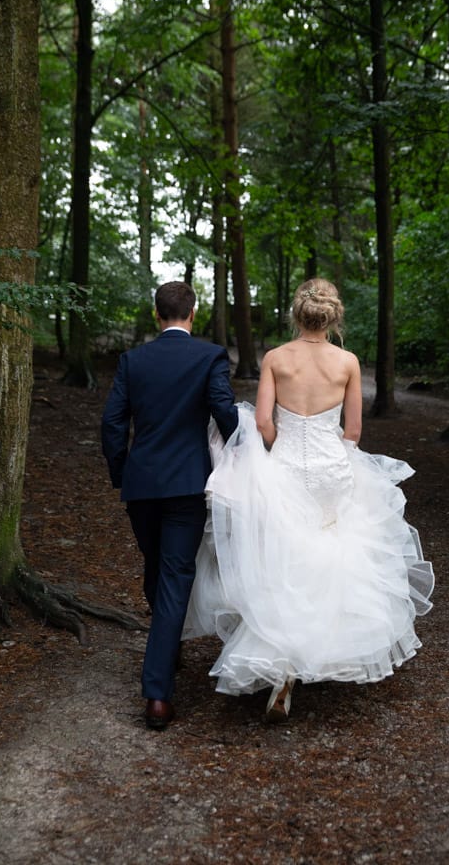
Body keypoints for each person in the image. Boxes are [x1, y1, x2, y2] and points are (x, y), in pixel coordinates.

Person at [183, 278, 434, 723]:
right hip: (331, 471)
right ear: (332, 316)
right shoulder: (348, 362)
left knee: (282, 559)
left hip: (284, 469)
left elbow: (262, 421)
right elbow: (353, 432)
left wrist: (282, 448)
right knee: (328, 557)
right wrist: (331, 453)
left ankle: (281, 665)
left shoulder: (277, 358)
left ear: (296, 315)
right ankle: (318, 651)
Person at [101, 281, 238, 730]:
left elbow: (113, 422)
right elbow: (222, 408)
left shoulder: (133, 360)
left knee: (159, 568)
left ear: (157, 314)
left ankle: (167, 644)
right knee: (173, 574)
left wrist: (122, 471)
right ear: (192, 313)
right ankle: (157, 695)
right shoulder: (210, 356)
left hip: (142, 484)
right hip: (185, 483)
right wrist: (238, 450)